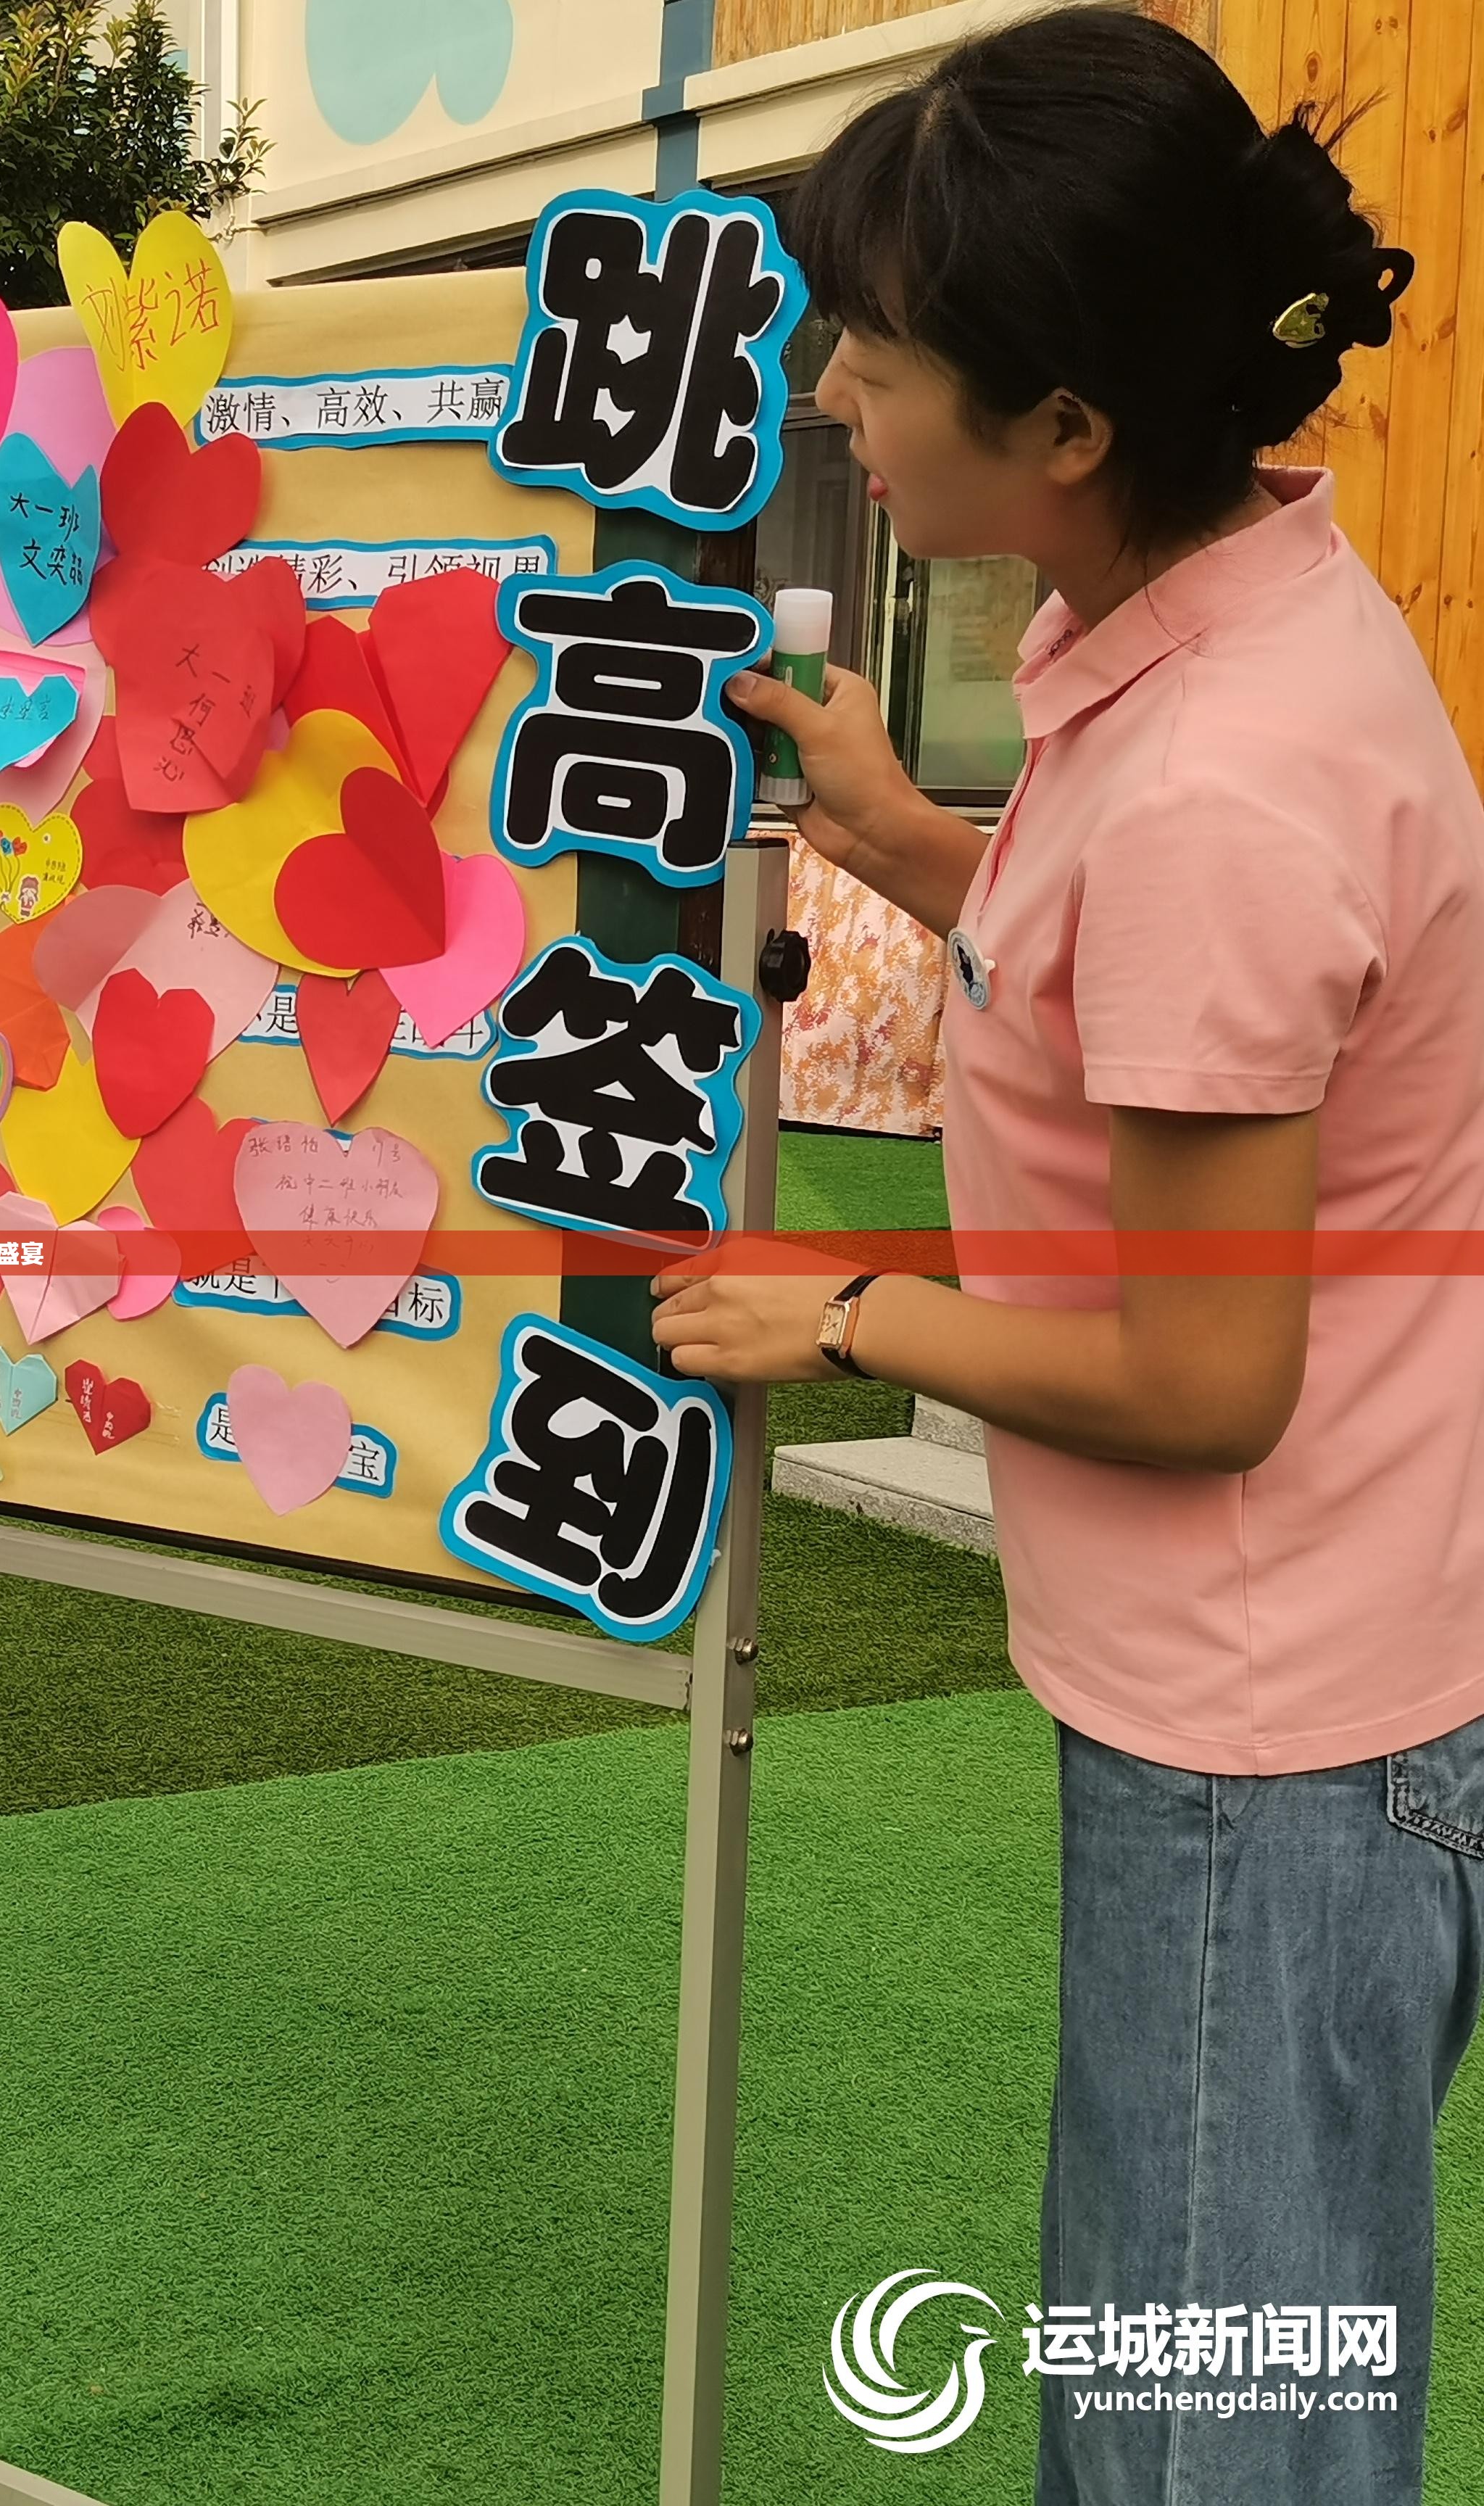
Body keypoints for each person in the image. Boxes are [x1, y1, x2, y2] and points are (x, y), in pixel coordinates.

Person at [660, 14, 1483, 2500]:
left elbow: (1212, 1372)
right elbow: (1122, 979)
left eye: (879, 359)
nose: (835, 390)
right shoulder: (1214, 617)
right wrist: (908, 831)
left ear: (1067, 435)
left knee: (1205, 2445)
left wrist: (850, 1312)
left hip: (1282, 1736)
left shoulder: (1228, 775)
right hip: (1297, 1686)